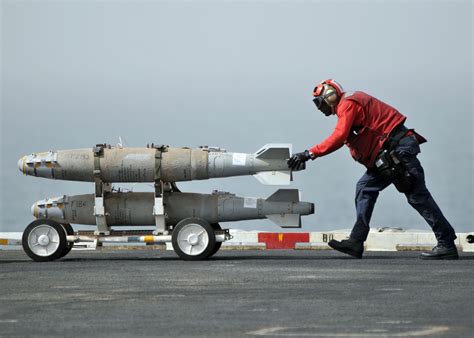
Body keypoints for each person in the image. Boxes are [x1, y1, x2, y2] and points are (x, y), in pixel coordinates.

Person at [288, 79, 458, 260]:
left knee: (417, 196)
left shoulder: (347, 104)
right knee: (364, 188)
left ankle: (446, 243)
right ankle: (356, 241)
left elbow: (339, 136)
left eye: (319, 102)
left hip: (397, 151)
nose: (319, 107)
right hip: (386, 157)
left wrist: (309, 153)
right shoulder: (348, 104)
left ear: (330, 96)